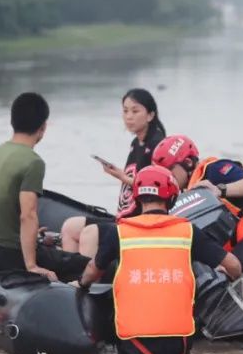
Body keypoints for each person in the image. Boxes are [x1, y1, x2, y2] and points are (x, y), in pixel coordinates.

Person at [74, 165, 243, 354]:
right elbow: (234, 265)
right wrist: (229, 272)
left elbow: (93, 271)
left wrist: (81, 285)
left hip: (133, 344)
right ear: (172, 198)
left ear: (137, 198)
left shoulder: (118, 233)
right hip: (178, 344)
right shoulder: (189, 232)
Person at [0, 92, 90, 282]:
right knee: (95, 265)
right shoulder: (33, 162)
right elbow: (27, 214)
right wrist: (31, 265)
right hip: (13, 256)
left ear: (12, 122)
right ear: (43, 127)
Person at [151, 135, 243, 276]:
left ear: (187, 162)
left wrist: (219, 190)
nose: (166, 177)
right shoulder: (181, 196)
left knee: (231, 271)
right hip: (240, 247)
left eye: (169, 170)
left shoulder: (214, 169)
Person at [60, 88, 167, 256]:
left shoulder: (158, 145)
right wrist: (121, 175)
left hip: (139, 222)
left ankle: (87, 280)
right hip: (123, 217)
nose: (128, 116)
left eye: (135, 111)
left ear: (150, 115)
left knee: (89, 234)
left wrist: (122, 176)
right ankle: (70, 278)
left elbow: (156, 187)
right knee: (69, 227)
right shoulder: (135, 143)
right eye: (125, 111)